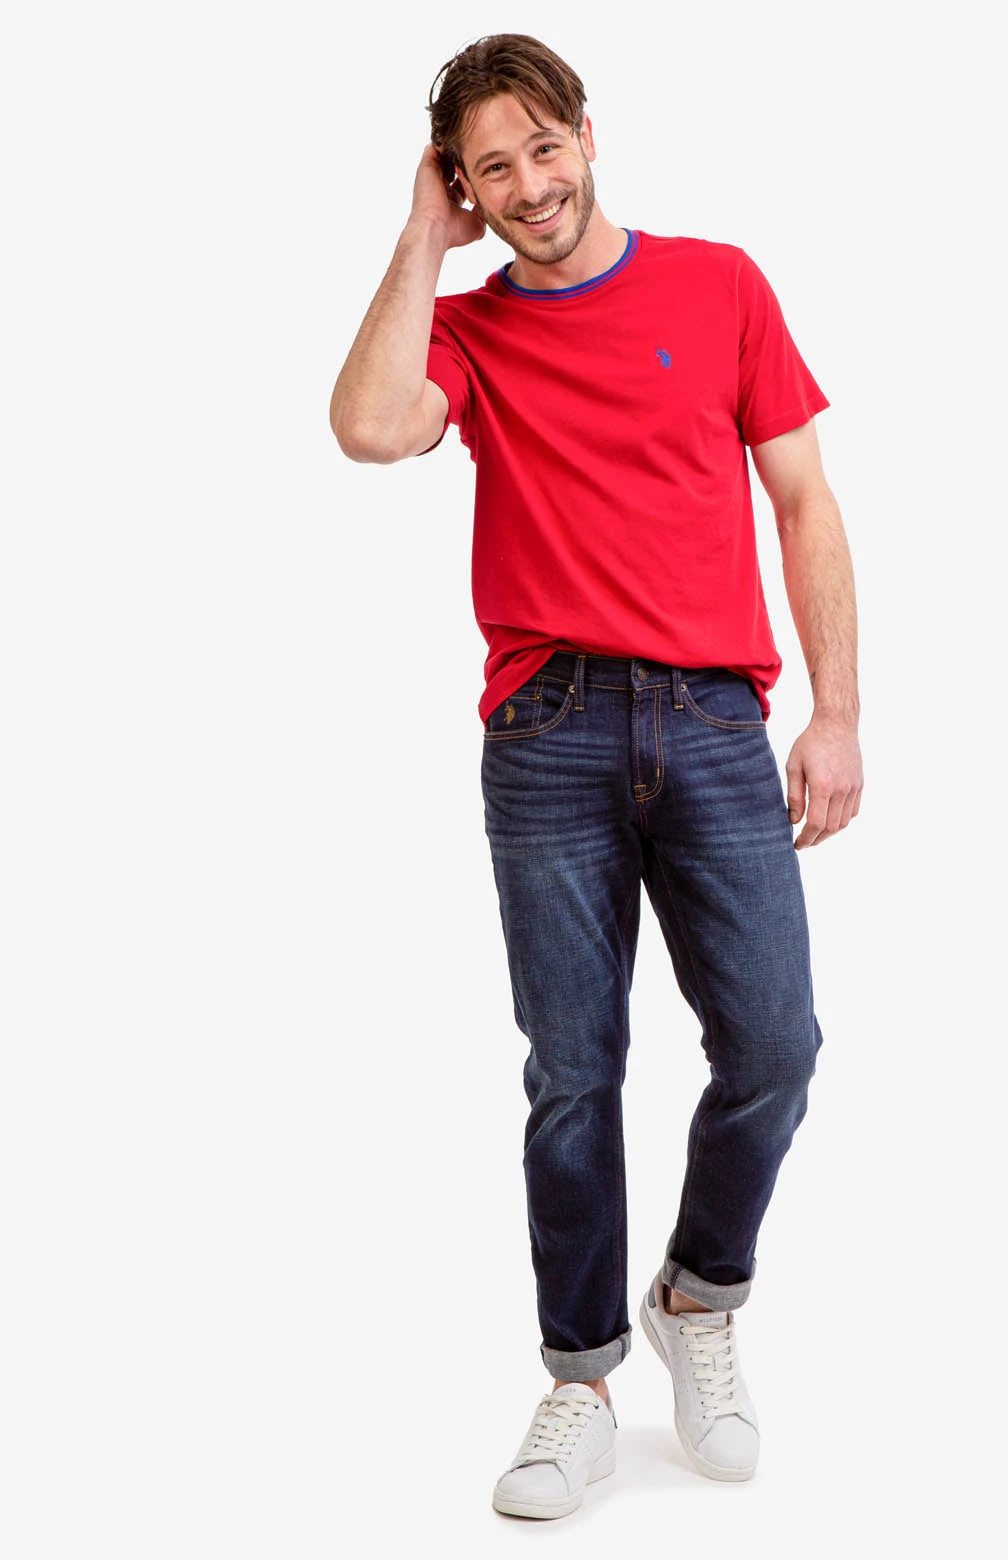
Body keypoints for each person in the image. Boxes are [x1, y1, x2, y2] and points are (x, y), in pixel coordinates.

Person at [329, 33, 863, 1521]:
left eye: (540, 149)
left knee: (775, 1046)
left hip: (714, 720)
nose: (527, 187)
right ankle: (578, 1376)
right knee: (573, 1072)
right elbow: (367, 428)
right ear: (464, 186)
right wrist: (421, 237)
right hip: (548, 729)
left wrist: (837, 713)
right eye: (488, 170)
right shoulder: (469, 332)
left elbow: (805, 502)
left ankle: (697, 1298)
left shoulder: (721, 284)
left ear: (585, 132)